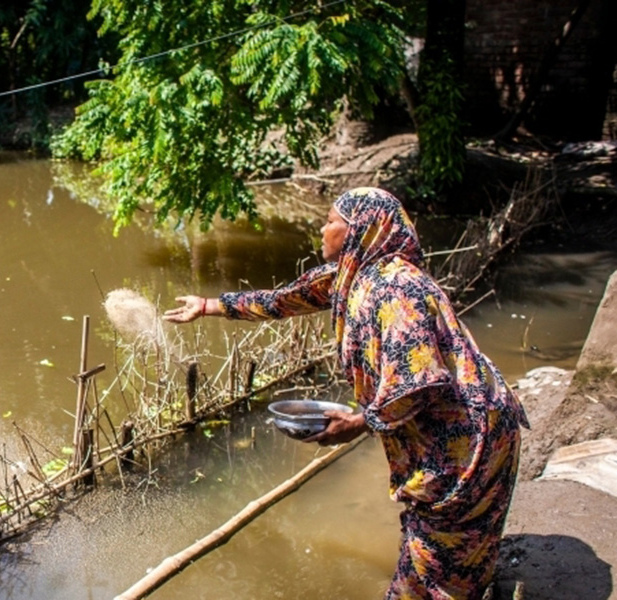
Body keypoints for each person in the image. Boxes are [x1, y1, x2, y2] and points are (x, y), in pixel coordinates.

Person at [163, 187, 529, 600]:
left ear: (359, 230)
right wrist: (211, 305)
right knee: (454, 561)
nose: (323, 228)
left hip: (469, 443)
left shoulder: (396, 290)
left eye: (331, 220)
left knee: (430, 579)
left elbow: (420, 380)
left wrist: (358, 422)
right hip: (458, 435)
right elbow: (287, 299)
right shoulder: (354, 275)